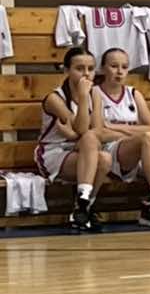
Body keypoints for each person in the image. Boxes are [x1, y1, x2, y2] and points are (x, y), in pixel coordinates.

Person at [92, 47, 150, 226]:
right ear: (103, 68)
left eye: (124, 67)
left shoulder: (133, 93)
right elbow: (99, 132)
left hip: (139, 152)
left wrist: (116, 126)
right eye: (114, 66)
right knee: (146, 138)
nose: (119, 71)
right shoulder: (95, 93)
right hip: (110, 152)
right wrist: (135, 130)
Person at [35, 46, 112, 233]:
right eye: (79, 68)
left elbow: (97, 131)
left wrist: (75, 136)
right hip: (54, 152)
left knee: (105, 158)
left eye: (90, 69)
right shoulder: (54, 99)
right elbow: (82, 128)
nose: (86, 74)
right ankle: (84, 206)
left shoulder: (96, 94)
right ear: (66, 70)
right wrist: (84, 97)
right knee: (91, 141)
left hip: (83, 150)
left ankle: (83, 206)